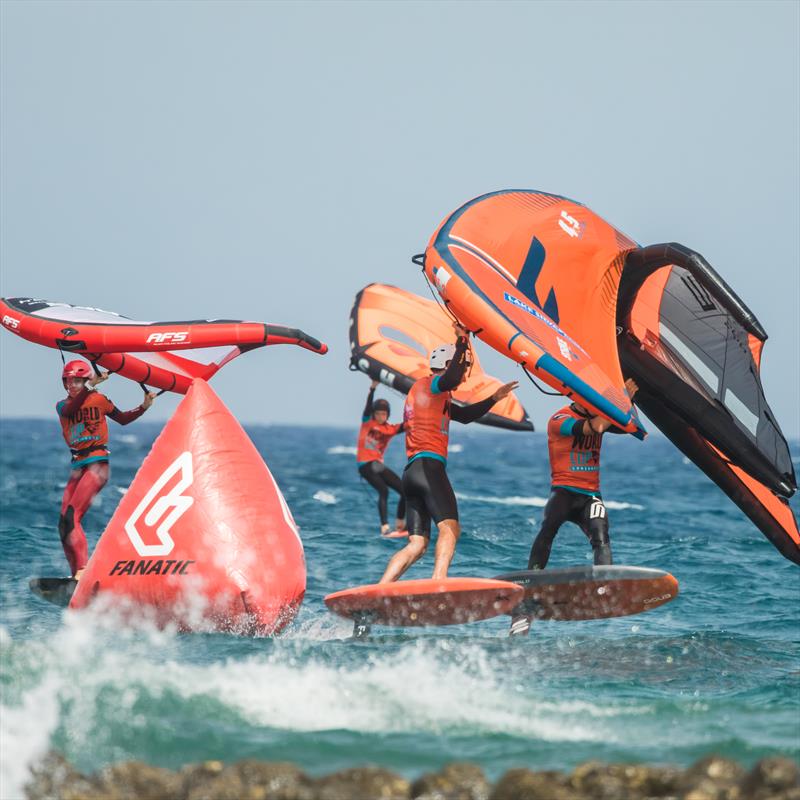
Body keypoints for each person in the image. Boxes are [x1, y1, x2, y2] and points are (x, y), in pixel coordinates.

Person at [379, 323, 518, 583]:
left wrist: (495, 398)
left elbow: (464, 416)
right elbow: (452, 377)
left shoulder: (432, 397)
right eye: (465, 368)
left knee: (417, 544)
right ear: (446, 363)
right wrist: (462, 342)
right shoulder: (432, 385)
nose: (465, 375)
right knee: (450, 528)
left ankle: (381, 588)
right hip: (429, 468)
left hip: (412, 473)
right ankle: (438, 581)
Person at [509, 378, 639, 635]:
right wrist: (621, 399)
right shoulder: (559, 419)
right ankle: (530, 586)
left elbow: (630, 426)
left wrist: (628, 402)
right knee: (548, 531)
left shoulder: (599, 413)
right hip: (564, 492)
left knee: (601, 538)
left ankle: (604, 586)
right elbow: (596, 427)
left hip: (590, 495)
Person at [57, 360, 156, 579]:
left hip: (97, 463)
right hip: (78, 466)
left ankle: (83, 571)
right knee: (63, 523)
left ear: (83, 380)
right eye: (68, 380)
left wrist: (143, 407)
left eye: (76, 380)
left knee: (73, 516)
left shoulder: (99, 399)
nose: (72, 385)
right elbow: (73, 408)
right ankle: (76, 575)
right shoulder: (62, 406)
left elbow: (122, 419)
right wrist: (90, 385)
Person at [357, 379, 406, 536]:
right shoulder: (367, 423)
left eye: (383, 414)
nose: (380, 416)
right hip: (365, 464)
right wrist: (372, 388)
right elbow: (367, 407)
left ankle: (400, 524)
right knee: (383, 491)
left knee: (405, 491)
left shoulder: (390, 429)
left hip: (377, 464)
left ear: (388, 415)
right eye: (378, 413)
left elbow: (409, 423)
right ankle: (384, 527)